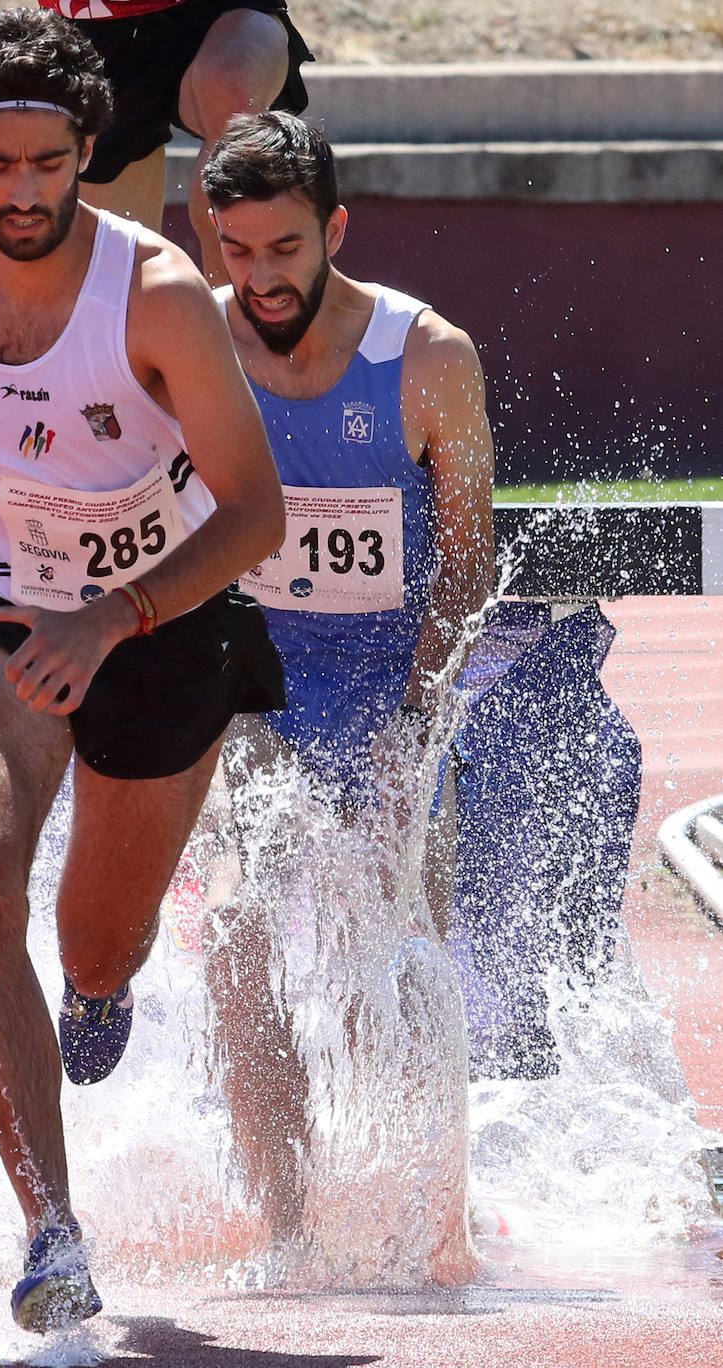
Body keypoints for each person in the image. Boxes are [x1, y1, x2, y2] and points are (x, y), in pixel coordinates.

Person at [0, 9, 286, 1333]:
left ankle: (99, 987)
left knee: (97, 935)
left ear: (87, 153)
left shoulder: (151, 292)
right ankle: (50, 1227)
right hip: (4, 613)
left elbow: (252, 513)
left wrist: (115, 616)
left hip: (160, 625)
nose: (23, 192)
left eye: (47, 164)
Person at [197, 112, 494, 1252]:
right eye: (238, 251)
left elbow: (466, 567)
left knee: (411, 949)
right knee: (235, 938)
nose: (262, 276)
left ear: (335, 230)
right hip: (249, 691)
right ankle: (287, 1221)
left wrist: (412, 724)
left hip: (389, 695)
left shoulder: (428, 358)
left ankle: (438, 1221)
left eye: (284, 248)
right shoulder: (194, 343)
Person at [37, 0, 314, 282]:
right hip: (97, 18)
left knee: (232, 95)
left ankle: (234, 313)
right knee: (120, 269)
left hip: (218, 10)